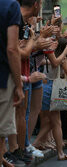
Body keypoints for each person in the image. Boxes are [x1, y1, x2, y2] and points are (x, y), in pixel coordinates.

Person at [0, 0, 24, 166]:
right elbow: (12, 49)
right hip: (2, 77)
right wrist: (19, 85)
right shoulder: (10, 5)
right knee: (1, 129)